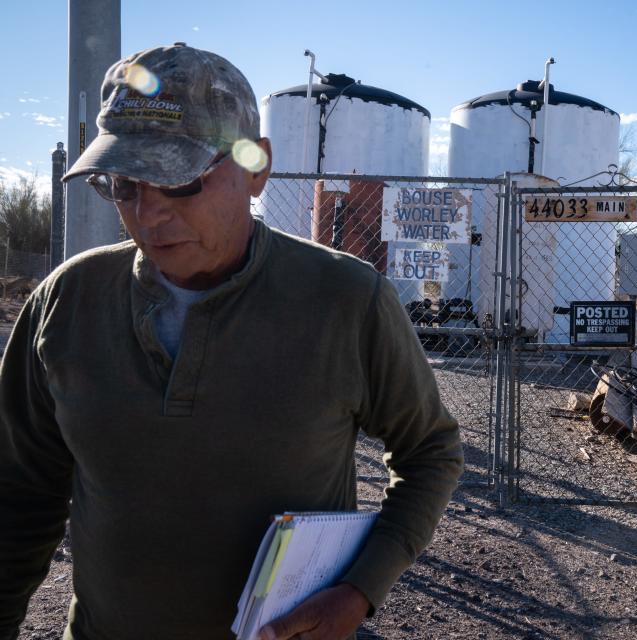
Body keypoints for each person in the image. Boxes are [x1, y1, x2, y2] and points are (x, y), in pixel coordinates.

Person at [0, 43, 463, 640]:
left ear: (256, 167)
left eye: (180, 180)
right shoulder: (67, 302)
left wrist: (359, 590)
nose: (149, 214)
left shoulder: (346, 300)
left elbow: (430, 451)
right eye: (123, 185)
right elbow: (19, 491)